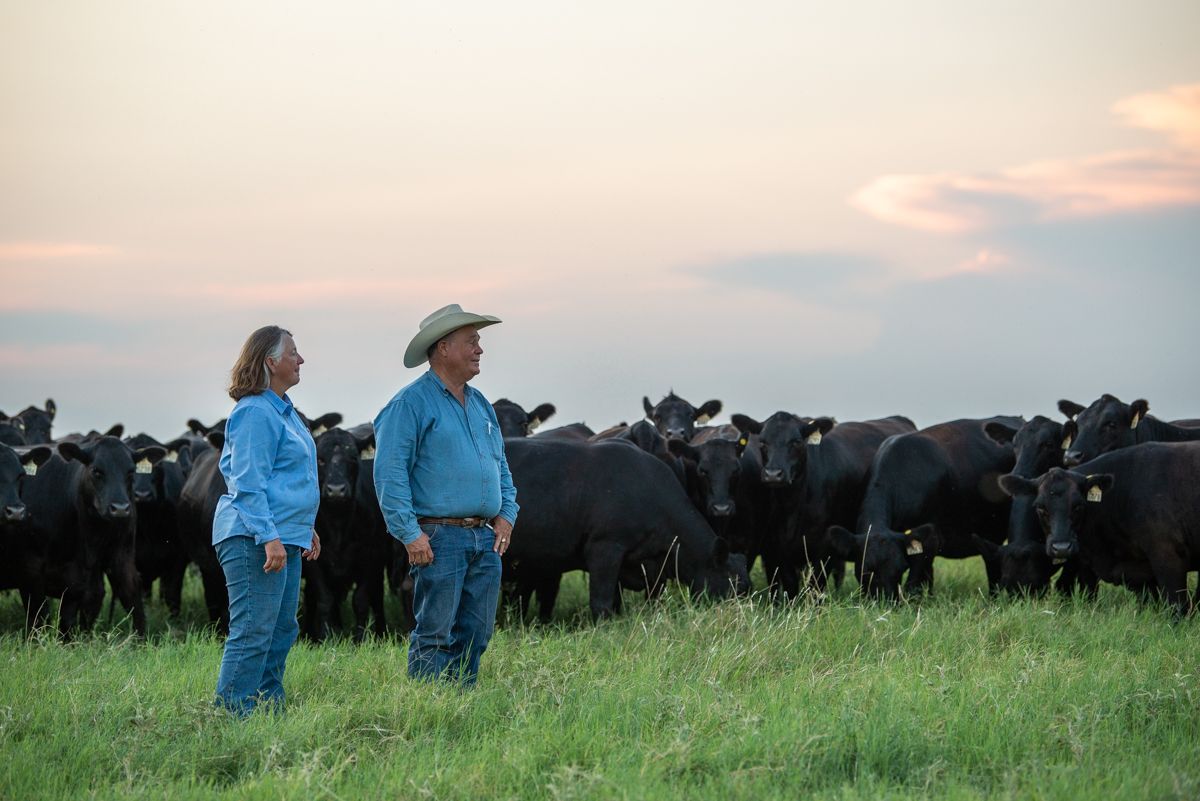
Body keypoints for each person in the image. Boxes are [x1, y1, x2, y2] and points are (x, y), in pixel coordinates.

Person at [373, 303, 518, 687]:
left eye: (479, 341)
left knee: (477, 630)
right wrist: (409, 533)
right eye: (471, 341)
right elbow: (389, 474)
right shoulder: (409, 405)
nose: (480, 349)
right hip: (438, 537)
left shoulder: (482, 404)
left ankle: (461, 704)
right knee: (435, 632)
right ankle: (426, 711)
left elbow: (500, 465)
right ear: (443, 348)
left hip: (483, 536)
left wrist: (507, 514)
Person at [212, 325, 322, 717]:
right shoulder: (255, 412)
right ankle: (232, 715)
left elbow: (290, 478)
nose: (301, 359)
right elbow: (247, 483)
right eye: (294, 352)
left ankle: (267, 709)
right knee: (254, 630)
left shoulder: (285, 411)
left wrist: (304, 527)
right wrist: (270, 536)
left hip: (282, 535)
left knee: (280, 630)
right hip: (251, 537)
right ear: (271, 362)